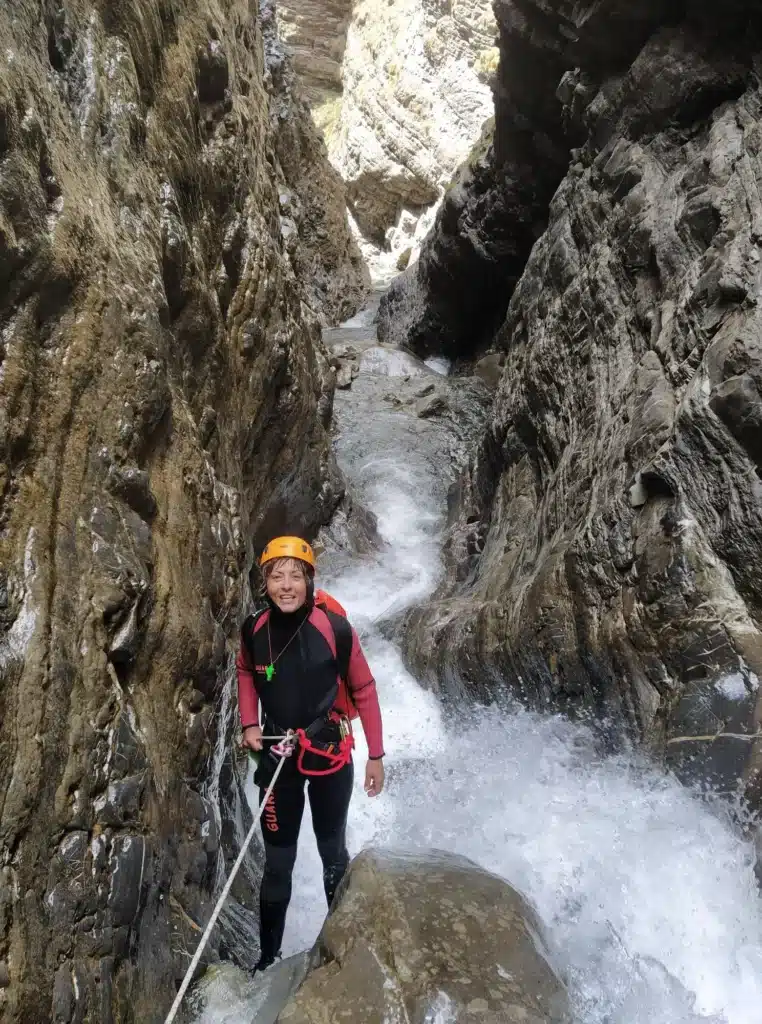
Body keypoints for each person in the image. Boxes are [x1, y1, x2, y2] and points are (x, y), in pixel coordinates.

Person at [236, 535, 385, 972]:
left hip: (329, 755)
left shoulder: (335, 629)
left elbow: (365, 688)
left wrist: (376, 755)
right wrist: (249, 722)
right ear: (264, 584)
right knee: (278, 862)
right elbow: (246, 670)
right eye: (276, 576)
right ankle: (267, 960)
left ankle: (339, 949)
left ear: (309, 581)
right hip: (276, 755)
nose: (286, 585)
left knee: (332, 852)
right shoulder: (255, 630)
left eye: (295, 576)